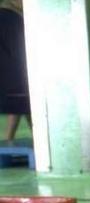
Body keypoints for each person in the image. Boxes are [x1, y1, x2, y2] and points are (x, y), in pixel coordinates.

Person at [0, 0, 30, 142]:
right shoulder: (12, 20)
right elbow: (21, 55)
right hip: (15, 86)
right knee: (27, 100)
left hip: (9, 88)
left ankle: (9, 138)